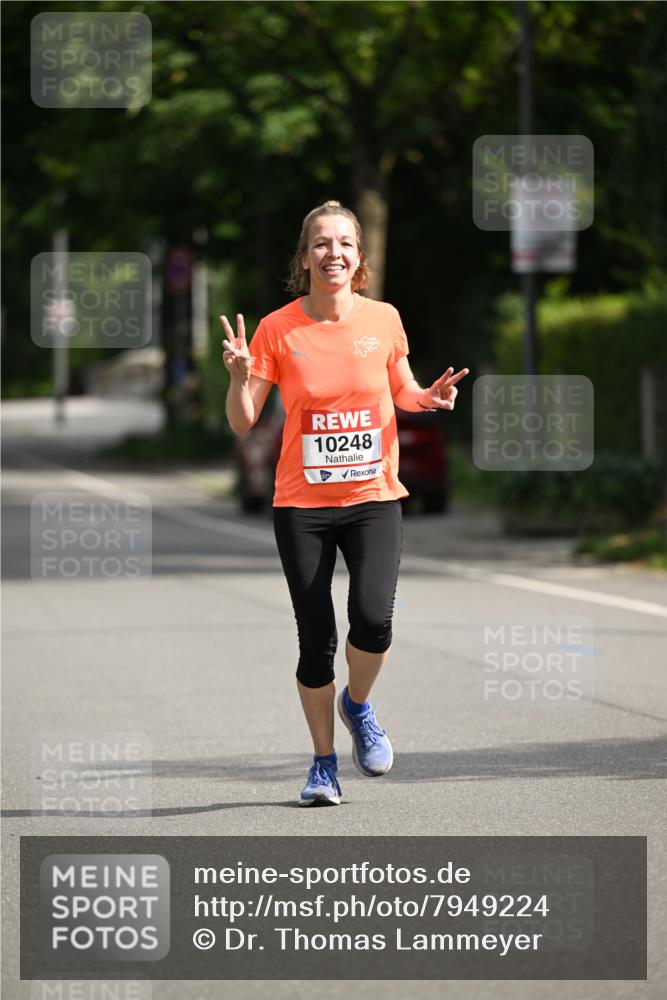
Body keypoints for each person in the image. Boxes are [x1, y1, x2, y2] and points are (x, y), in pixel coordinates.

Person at [221, 200, 468, 806]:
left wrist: (426, 397)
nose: (334, 253)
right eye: (321, 244)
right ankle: (323, 765)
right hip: (301, 505)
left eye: (345, 244)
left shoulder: (383, 319)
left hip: (373, 496)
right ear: (304, 258)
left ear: (359, 258)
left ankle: (358, 705)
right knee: (316, 640)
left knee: (374, 620)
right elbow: (243, 420)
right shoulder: (278, 328)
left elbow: (401, 389)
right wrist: (236, 378)